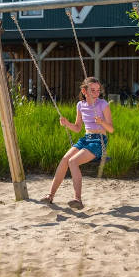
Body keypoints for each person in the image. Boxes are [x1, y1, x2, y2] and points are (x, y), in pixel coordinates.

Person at [41, 77, 114, 209]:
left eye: (98, 90)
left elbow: (111, 129)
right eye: (93, 90)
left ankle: (78, 199)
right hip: (85, 139)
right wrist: (66, 123)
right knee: (64, 160)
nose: (96, 93)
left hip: (98, 141)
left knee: (73, 162)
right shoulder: (80, 105)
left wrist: (101, 122)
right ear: (84, 91)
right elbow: (77, 128)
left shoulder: (103, 104)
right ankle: (50, 196)